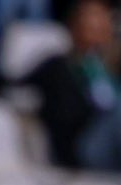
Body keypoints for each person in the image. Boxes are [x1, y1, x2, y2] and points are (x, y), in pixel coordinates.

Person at [31, 0, 121, 172]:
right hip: (80, 149)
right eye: (92, 18)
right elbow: (15, 84)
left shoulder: (109, 69)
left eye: (104, 19)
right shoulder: (58, 66)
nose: (100, 24)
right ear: (74, 26)